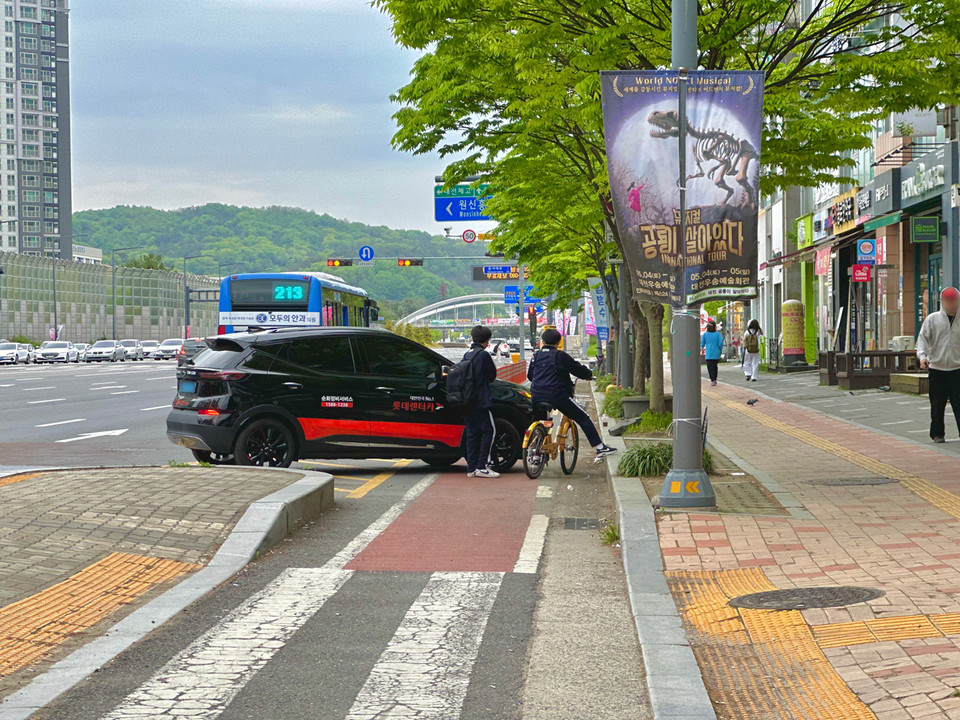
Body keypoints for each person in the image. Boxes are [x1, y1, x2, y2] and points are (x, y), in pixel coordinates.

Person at [528, 328, 617, 459]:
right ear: (559, 342)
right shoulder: (560, 356)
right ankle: (599, 447)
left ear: (543, 341)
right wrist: (588, 375)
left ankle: (536, 452)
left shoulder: (535, 356)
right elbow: (577, 369)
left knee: (540, 421)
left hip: (536, 395)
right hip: (557, 396)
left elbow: (530, 376)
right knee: (583, 417)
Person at [916, 286, 960, 443]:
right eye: (947, 301)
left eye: (953, 300)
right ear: (942, 302)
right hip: (937, 369)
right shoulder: (933, 319)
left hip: (957, 370)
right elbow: (922, 341)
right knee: (937, 405)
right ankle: (937, 434)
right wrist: (922, 357)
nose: (951, 304)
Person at [462, 325, 500, 477]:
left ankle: (471, 468)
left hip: (467, 400)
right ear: (487, 340)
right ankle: (482, 465)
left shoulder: (467, 354)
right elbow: (491, 376)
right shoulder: (483, 355)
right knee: (489, 430)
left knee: (472, 432)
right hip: (481, 400)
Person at [700, 320, 724, 386]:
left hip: (709, 353)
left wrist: (702, 348)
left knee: (709, 367)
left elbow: (702, 342)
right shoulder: (718, 334)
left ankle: (712, 379)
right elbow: (721, 342)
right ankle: (715, 379)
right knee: (715, 366)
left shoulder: (705, 334)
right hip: (716, 352)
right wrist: (719, 349)